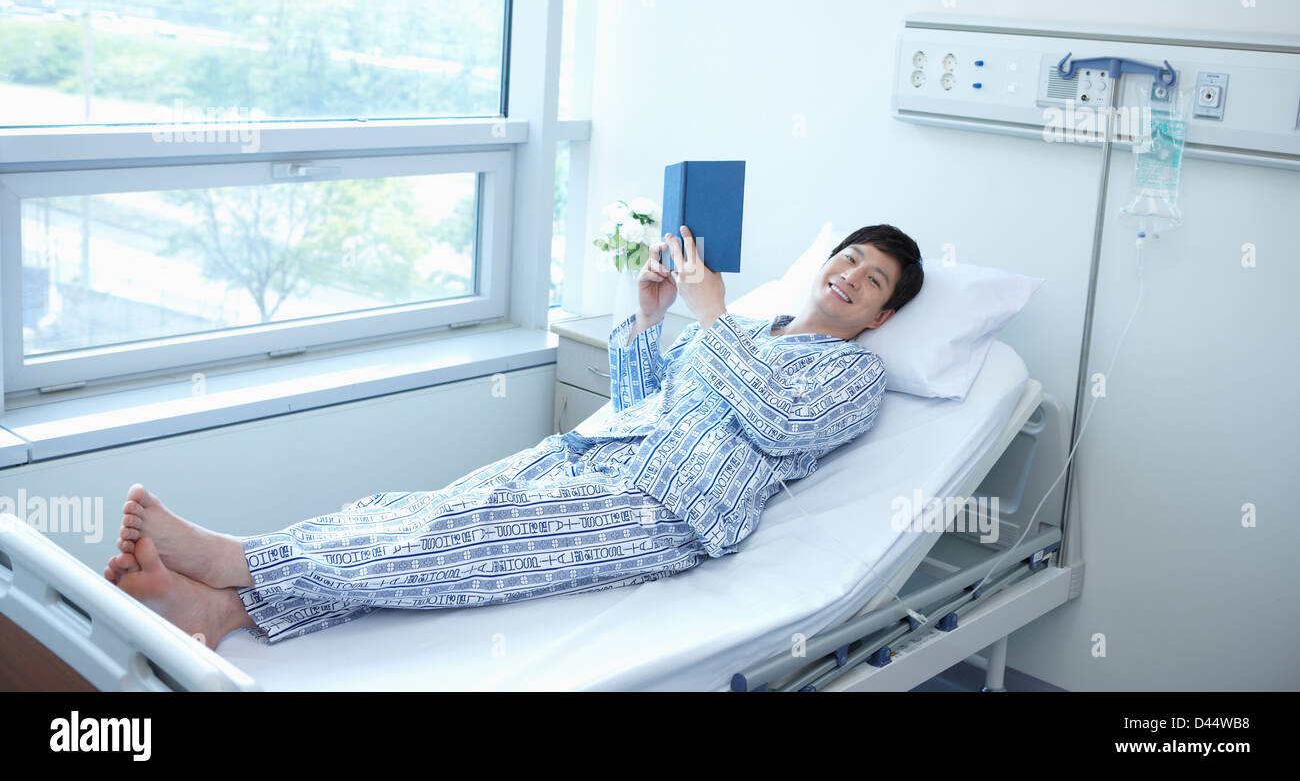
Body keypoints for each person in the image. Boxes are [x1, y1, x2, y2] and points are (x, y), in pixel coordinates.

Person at [105, 223, 924, 648]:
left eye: (872, 279)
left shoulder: (854, 376)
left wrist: (711, 318)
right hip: (597, 462)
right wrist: (651, 319)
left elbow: (778, 424)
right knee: (409, 515)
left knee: (459, 537)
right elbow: (645, 404)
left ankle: (238, 558)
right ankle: (227, 614)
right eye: (849, 258)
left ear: (882, 314)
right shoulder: (751, 328)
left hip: (664, 510)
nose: (849, 276)